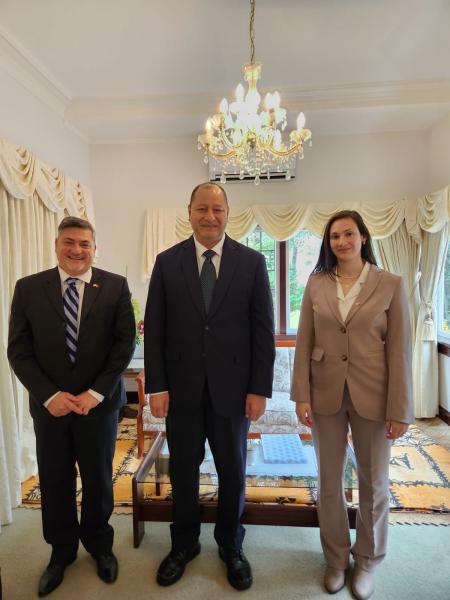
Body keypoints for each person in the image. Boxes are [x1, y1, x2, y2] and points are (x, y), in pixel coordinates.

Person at [144, 182, 275, 590]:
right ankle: (184, 544)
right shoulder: (167, 262)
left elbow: (262, 331)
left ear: (227, 212)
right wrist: (157, 387)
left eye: (217, 209)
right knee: (182, 470)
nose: (210, 216)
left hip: (233, 391)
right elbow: (155, 330)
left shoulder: (252, 262)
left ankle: (230, 545)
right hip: (181, 390)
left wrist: (259, 388)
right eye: (202, 209)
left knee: (232, 471)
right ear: (190, 212)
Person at [8, 216, 135, 597]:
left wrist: (95, 393)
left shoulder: (114, 286)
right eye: (69, 242)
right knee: (56, 479)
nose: (76, 250)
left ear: (95, 248)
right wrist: (51, 396)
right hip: (51, 408)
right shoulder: (29, 288)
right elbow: (19, 349)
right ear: (57, 244)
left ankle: (100, 546)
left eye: (84, 243)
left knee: (99, 480)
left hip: (99, 406)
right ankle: (60, 552)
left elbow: (123, 345)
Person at [291, 210, 413, 600]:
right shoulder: (316, 284)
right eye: (334, 237)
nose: (341, 242)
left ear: (363, 238)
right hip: (325, 393)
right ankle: (336, 559)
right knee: (329, 481)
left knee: (373, 482)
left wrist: (400, 409)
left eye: (348, 234)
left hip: (374, 395)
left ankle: (367, 561)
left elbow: (399, 352)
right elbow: (304, 343)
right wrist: (302, 395)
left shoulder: (390, 284)